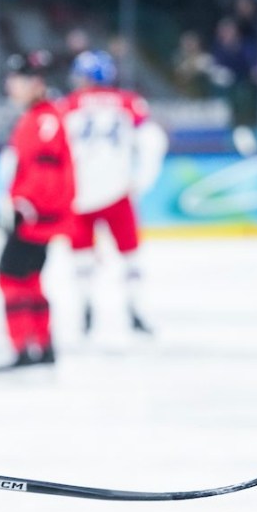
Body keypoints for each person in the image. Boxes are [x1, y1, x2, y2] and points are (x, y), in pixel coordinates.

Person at [60, 50, 167, 336]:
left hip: (78, 195)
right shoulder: (129, 103)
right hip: (117, 192)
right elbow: (154, 141)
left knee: (81, 259)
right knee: (131, 257)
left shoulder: (67, 106)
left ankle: (86, 311)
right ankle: (134, 309)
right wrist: (141, 180)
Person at [0, 51, 75, 371]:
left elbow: (46, 172)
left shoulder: (44, 119)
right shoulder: (39, 118)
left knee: (10, 275)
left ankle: (25, 347)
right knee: (29, 278)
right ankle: (42, 345)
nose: (11, 86)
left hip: (36, 217)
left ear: (36, 83)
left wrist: (24, 206)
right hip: (38, 215)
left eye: (17, 80)